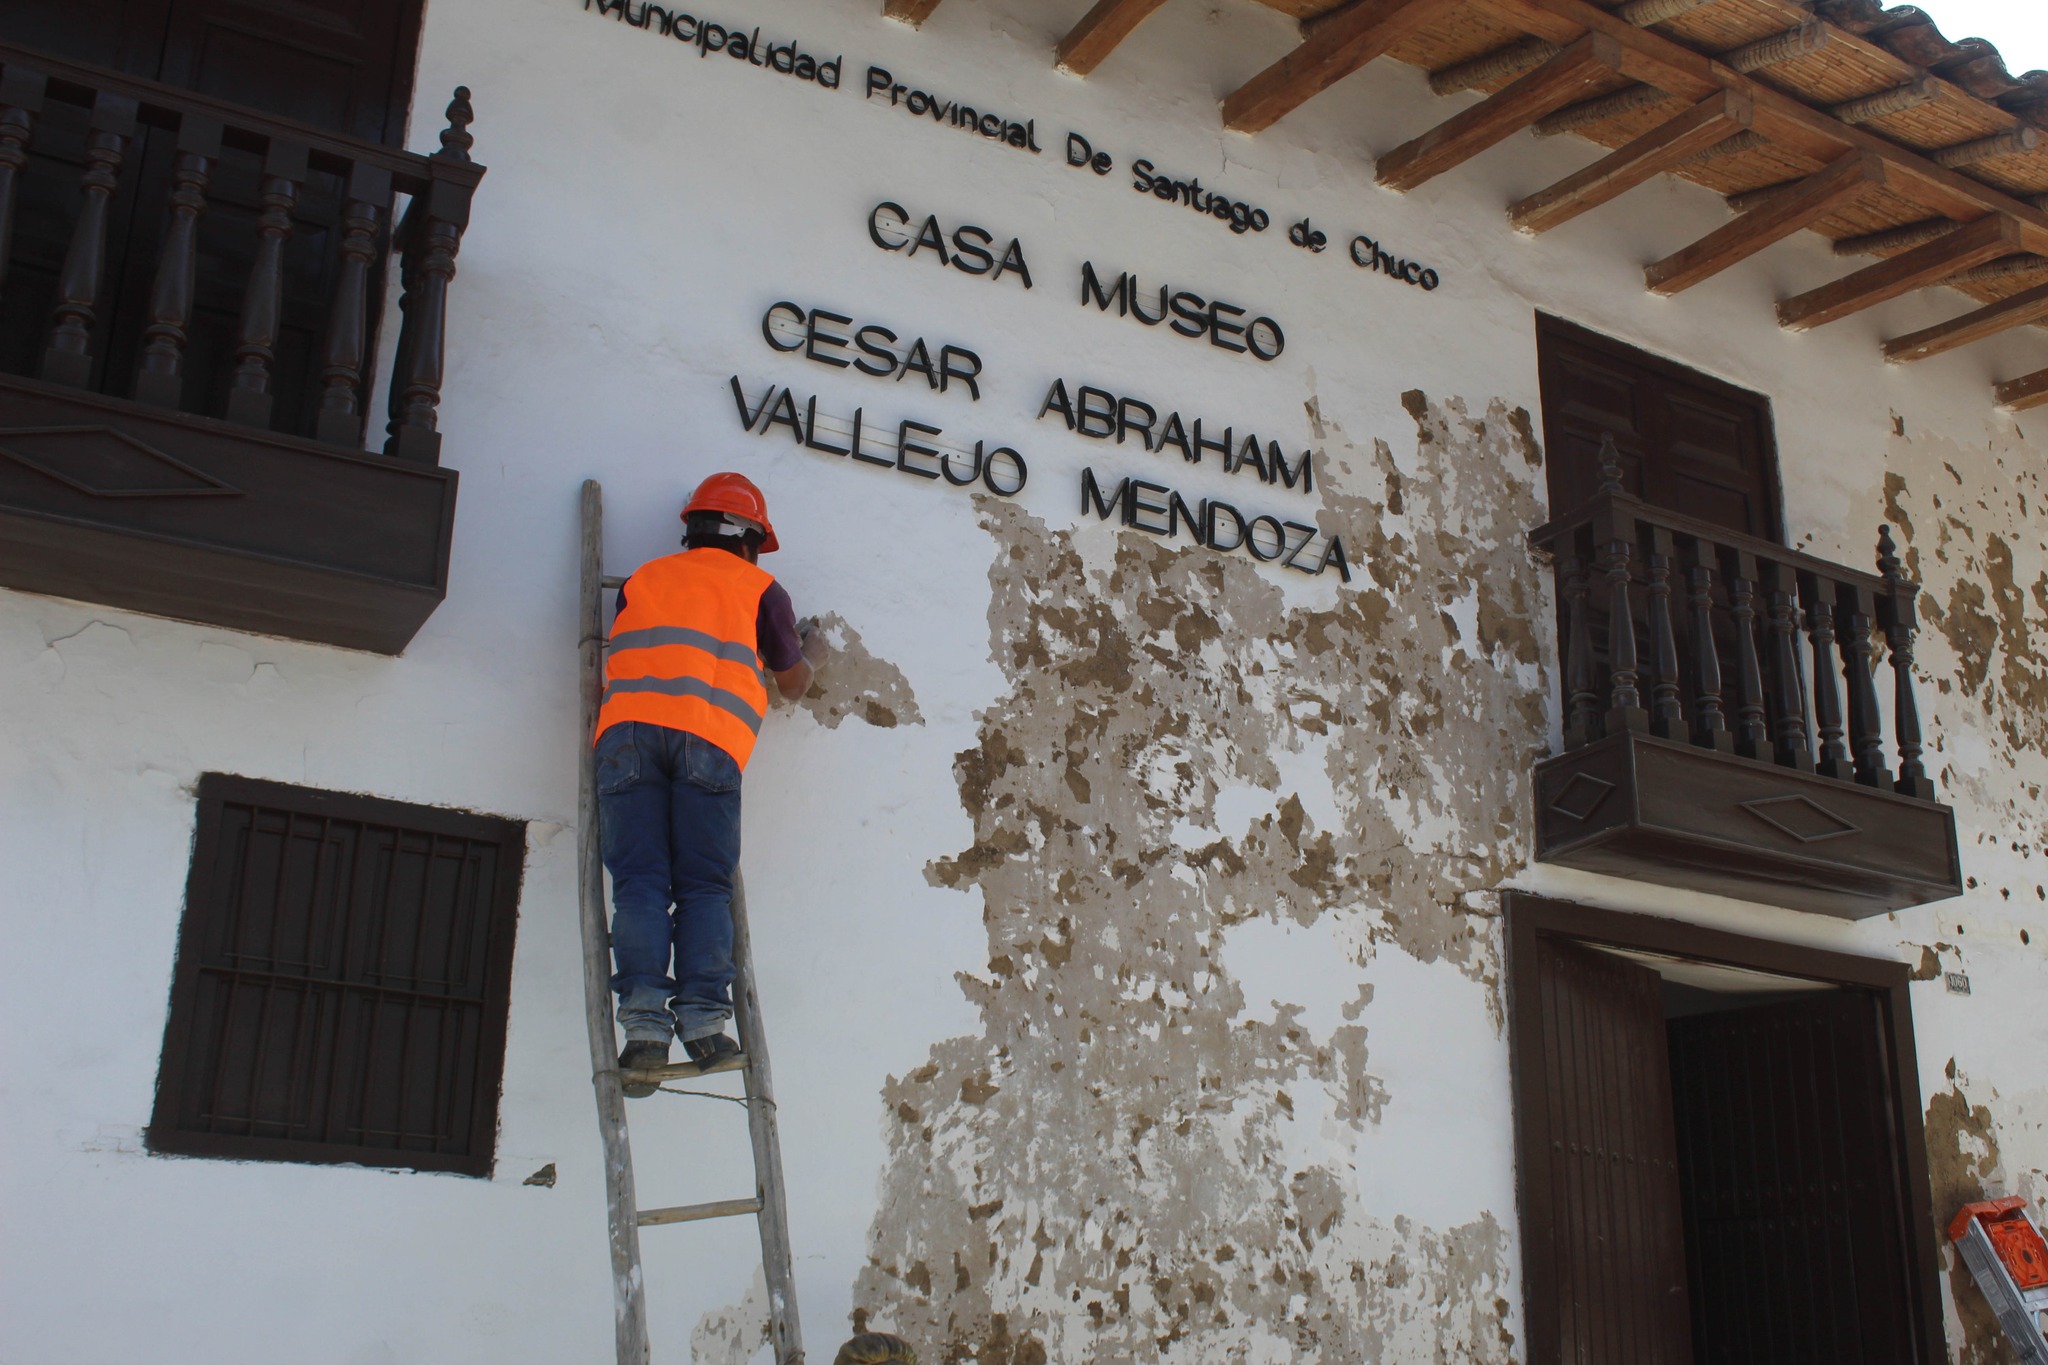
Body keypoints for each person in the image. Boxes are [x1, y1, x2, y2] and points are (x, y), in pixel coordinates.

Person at [594, 472, 826, 1096]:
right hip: (707, 741)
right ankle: (702, 1025)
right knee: (702, 885)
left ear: (691, 529)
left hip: (625, 739)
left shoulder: (644, 578)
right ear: (752, 540)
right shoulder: (761, 590)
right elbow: (795, 684)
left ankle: (643, 1033)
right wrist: (812, 648)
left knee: (639, 882)